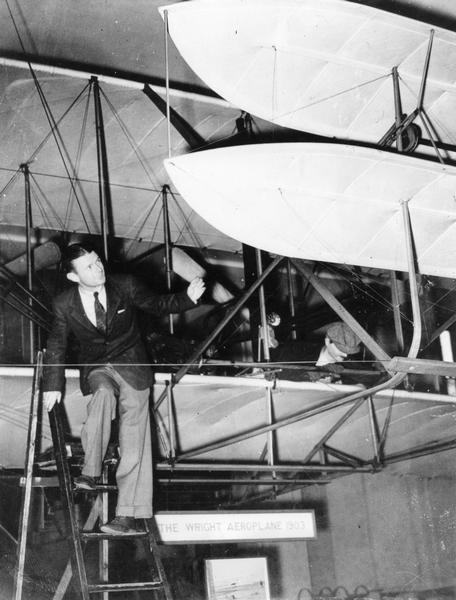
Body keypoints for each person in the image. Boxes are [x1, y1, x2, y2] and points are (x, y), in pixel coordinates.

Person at [42, 243, 205, 534]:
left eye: (97, 261)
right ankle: (90, 471)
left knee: (135, 436)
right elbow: (56, 344)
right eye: (89, 267)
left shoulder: (125, 285)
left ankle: (127, 514)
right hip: (97, 367)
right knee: (102, 394)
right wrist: (52, 384)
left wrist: (187, 298)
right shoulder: (64, 303)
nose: (98, 267)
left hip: (133, 365)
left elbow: (157, 305)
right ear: (73, 277)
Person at [270, 321, 361, 382]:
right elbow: (281, 374)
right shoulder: (297, 350)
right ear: (327, 341)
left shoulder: (347, 365)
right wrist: (316, 374)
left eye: (350, 351)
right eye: (341, 349)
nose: (345, 354)